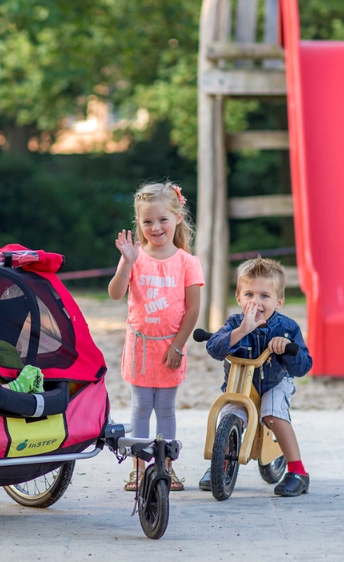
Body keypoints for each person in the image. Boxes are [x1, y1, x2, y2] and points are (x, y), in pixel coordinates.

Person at [108, 182, 203, 492]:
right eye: (147, 221)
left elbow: (192, 311)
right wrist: (127, 262)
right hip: (140, 348)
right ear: (139, 223)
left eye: (162, 219)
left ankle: (165, 468)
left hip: (170, 349)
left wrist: (178, 346)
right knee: (139, 407)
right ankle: (138, 469)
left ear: (177, 217)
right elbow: (115, 293)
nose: (155, 227)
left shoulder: (188, 262)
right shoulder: (135, 257)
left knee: (165, 408)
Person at [200, 256, 313, 497]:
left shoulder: (287, 327)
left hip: (275, 382)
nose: (256, 302)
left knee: (273, 414)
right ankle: (219, 464)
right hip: (242, 383)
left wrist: (287, 346)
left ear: (279, 301)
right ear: (238, 298)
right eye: (249, 294)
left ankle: (298, 471)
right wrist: (241, 332)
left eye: (264, 296)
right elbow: (214, 348)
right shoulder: (235, 323)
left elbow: (302, 367)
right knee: (231, 415)